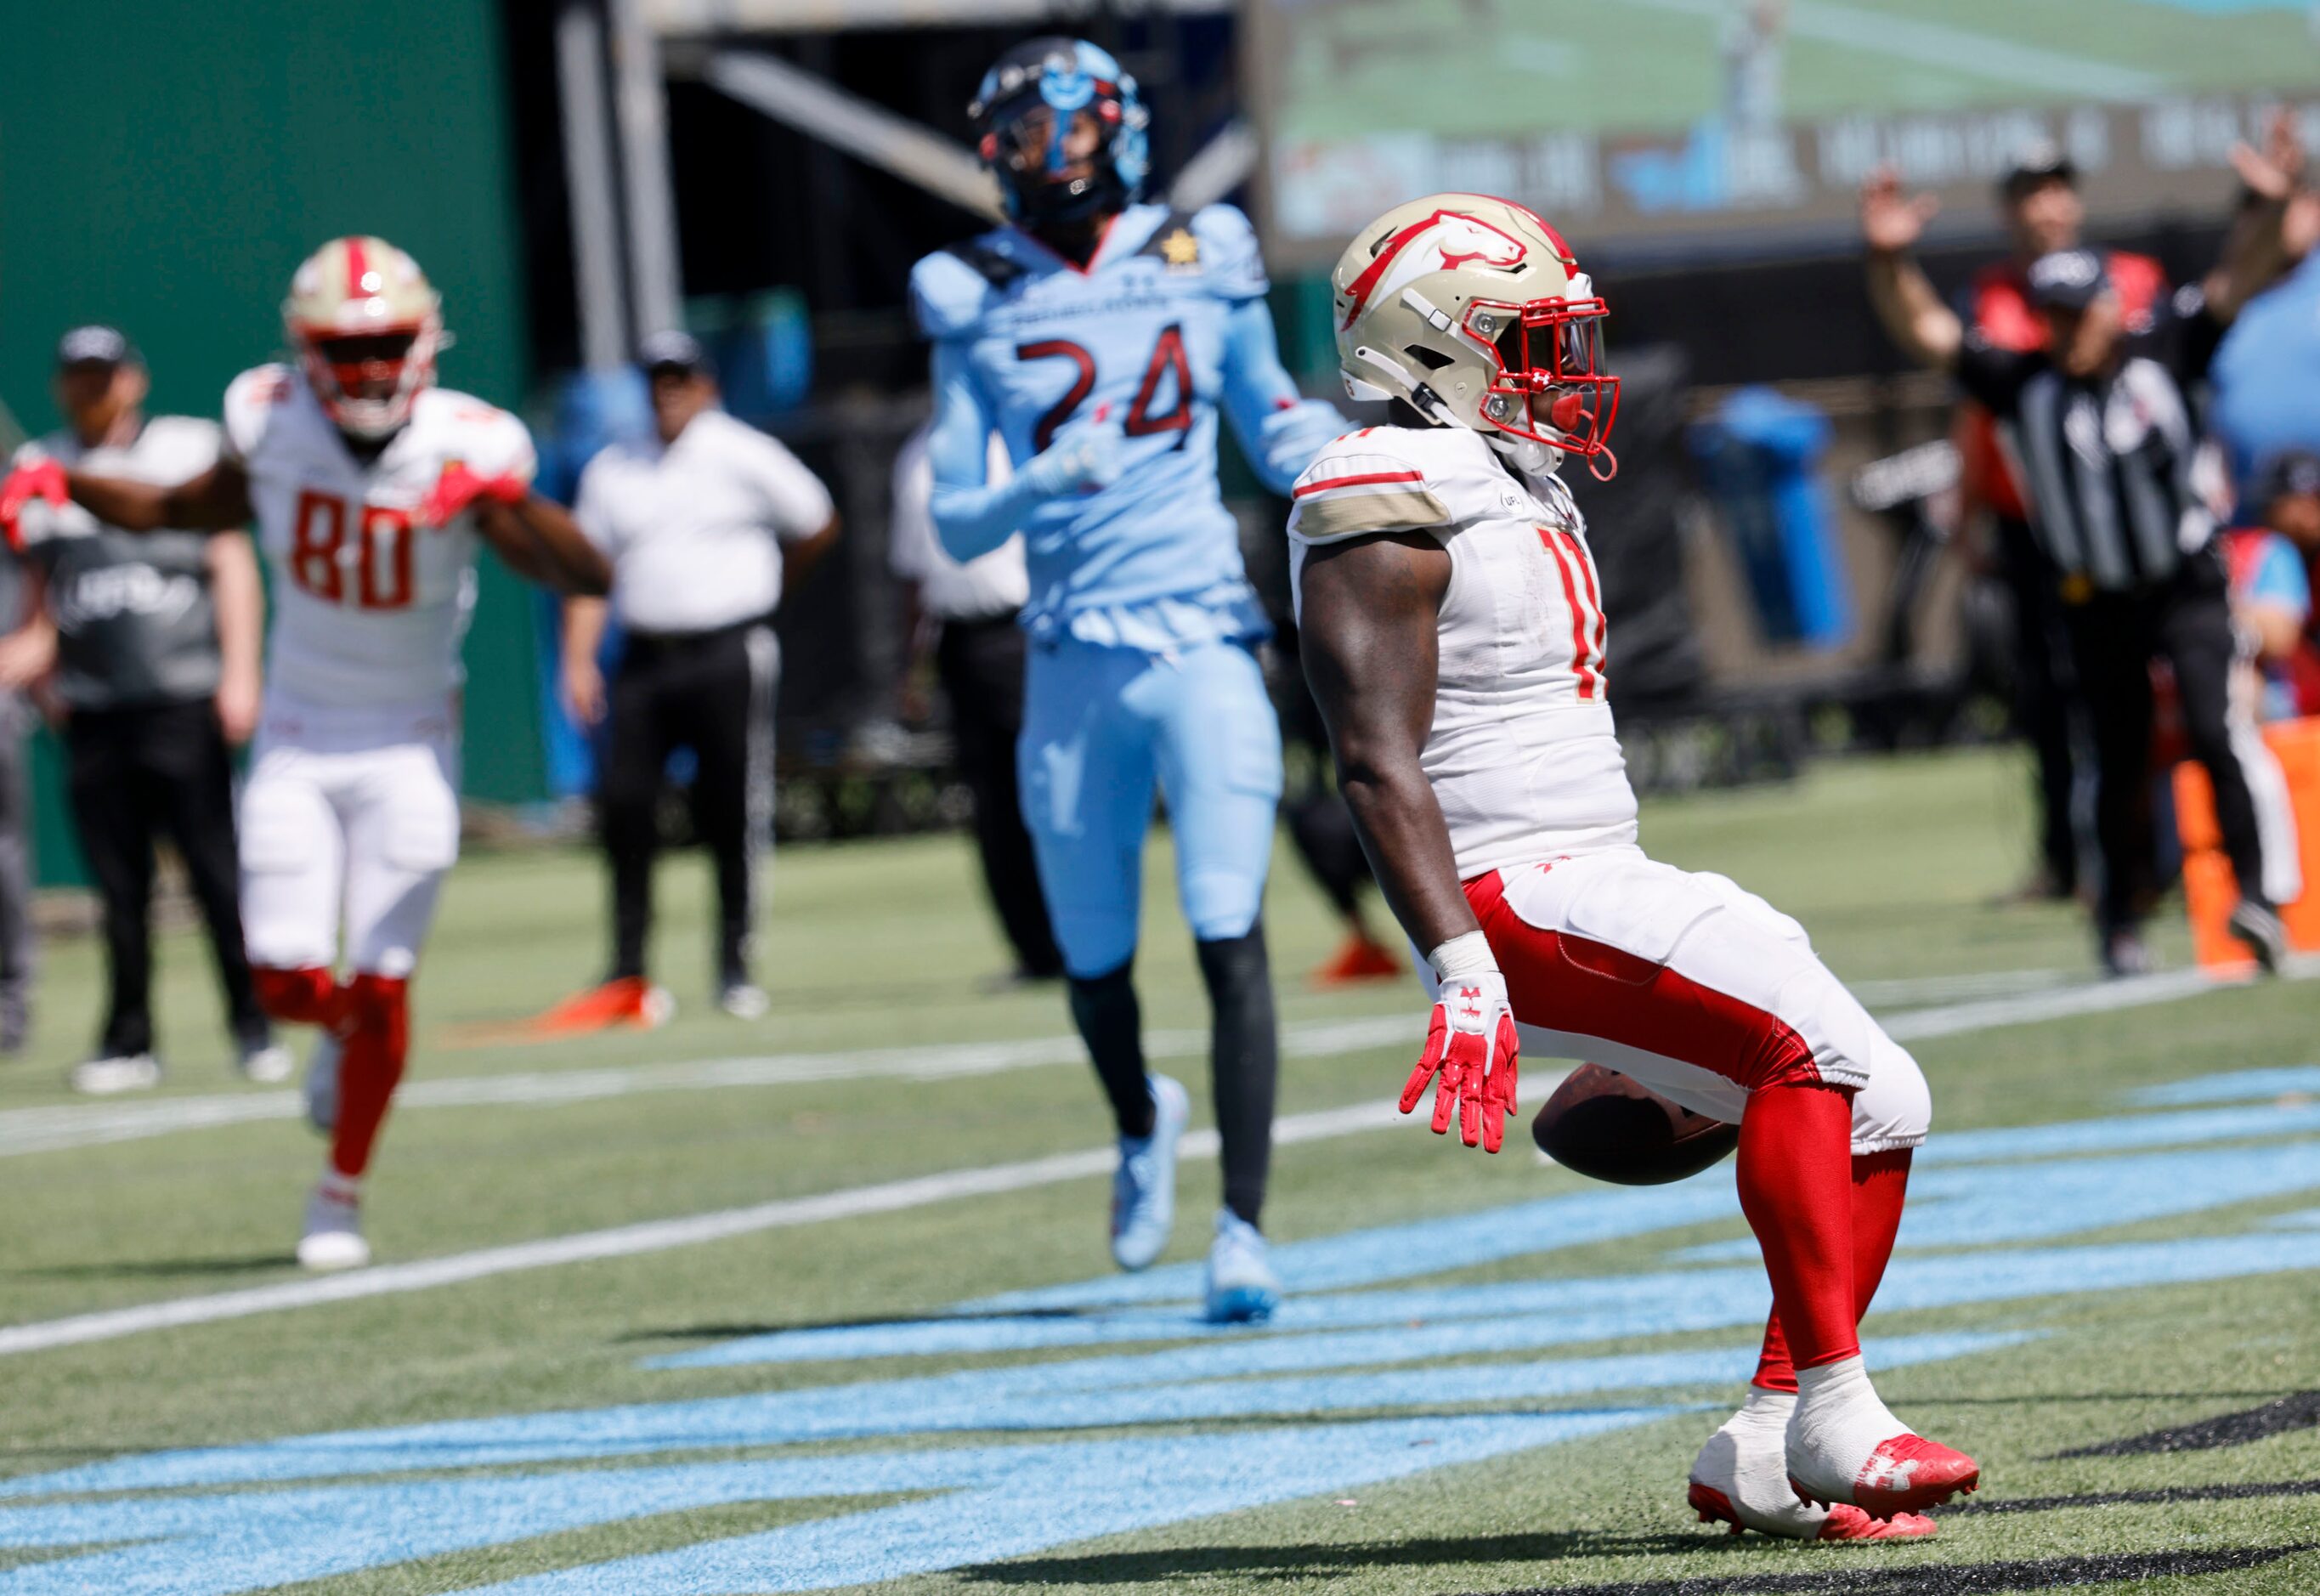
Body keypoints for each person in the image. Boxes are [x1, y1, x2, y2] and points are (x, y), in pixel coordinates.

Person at [1293, 191, 1971, 1538]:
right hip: (1505, 889)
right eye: (1526, 339)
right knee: (1806, 1049)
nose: (1560, 368)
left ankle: (1765, 1445)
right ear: (1431, 345)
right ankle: (1838, 1407)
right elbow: (1374, 756)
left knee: (1882, 1094)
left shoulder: (1501, 467)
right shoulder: (1378, 487)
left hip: (1585, 870)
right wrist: (1458, 962)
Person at [0, 236, 612, 1271]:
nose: (370, 367)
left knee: (383, 983)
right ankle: (335, 1037)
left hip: (412, 738)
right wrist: (65, 482)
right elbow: (178, 510)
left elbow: (585, 572)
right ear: (306, 349)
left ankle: (340, 1193)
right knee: (284, 979)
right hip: (297, 731)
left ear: (423, 343)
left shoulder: (474, 441)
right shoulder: (270, 418)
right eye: (347, 345)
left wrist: (504, 501)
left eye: (385, 343)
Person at [913, 37, 1344, 1322]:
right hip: (1067, 654)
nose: (1044, 160)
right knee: (1093, 960)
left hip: (1203, 631)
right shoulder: (971, 284)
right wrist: (1038, 480)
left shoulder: (1198, 252)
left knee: (1228, 929)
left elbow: (1268, 416)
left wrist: (1332, 451)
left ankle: (1243, 1229)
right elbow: (953, 518)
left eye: (1064, 133)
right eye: (1023, 139)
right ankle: (1136, 1114)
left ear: (1115, 132)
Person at [1862, 166, 2295, 976]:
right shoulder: (2024, 384)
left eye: (2076, 313)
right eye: (2050, 317)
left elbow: (2239, 277)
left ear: (2109, 306)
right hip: (2094, 597)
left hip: (2185, 584)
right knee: (2120, 755)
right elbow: (1928, 333)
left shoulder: (2165, 349)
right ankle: (2121, 918)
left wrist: (2271, 206)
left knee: (2215, 727)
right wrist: (1888, 262)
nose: (2066, 332)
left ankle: (2258, 898)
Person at [0, 325, 286, 1093]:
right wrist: (35, 674)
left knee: (214, 874)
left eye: (105, 374)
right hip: (94, 712)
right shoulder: (41, 467)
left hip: (183, 698)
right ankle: (130, 1040)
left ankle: (252, 1026)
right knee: (118, 889)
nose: (92, 389)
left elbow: (230, 563)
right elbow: (42, 600)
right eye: (78, 377)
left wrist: (241, 675)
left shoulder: (188, 449)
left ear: (134, 379)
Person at [551, 332, 839, 1026]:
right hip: (647, 656)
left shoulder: (740, 451)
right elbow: (589, 574)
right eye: (657, 379)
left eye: (680, 378)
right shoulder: (615, 467)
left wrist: (768, 594)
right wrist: (578, 659)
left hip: (726, 649)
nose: (668, 391)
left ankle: (735, 964)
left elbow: (816, 521)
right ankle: (628, 970)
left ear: (706, 384)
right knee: (625, 805)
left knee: (729, 807)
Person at [1955, 146, 2167, 905]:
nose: (2043, 208)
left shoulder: (2136, 279)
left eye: (2054, 191)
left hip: (2136, 527)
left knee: (2157, 693)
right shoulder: (1993, 296)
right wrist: (1967, 511)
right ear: (2008, 209)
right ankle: (2066, 860)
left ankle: (2157, 855)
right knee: (2047, 694)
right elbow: (1981, 404)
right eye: (2027, 195)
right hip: (2033, 523)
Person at [889, 422, 1061, 986]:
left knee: (1044, 791)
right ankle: (1034, 949)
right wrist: (912, 666)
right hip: (959, 643)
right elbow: (913, 575)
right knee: (990, 804)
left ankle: (1079, 939)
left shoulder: (1022, 439)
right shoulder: (917, 455)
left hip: (1024, 632)